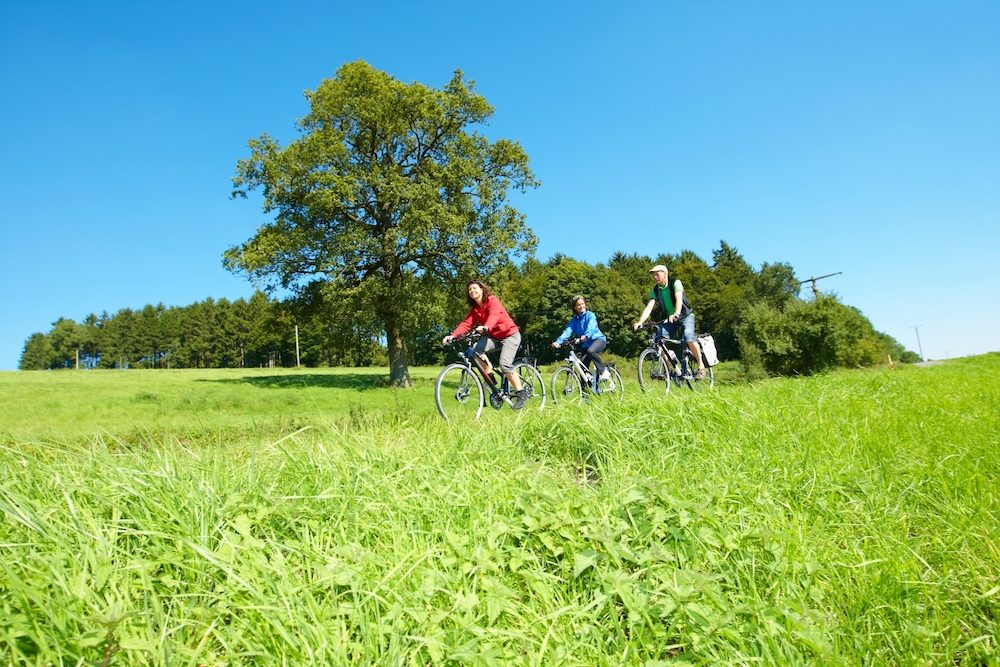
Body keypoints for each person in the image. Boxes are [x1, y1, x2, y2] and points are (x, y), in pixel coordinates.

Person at [442, 280, 530, 409]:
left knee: (504, 364)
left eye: (474, 288)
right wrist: (453, 335)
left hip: (510, 335)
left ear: (482, 289)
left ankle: (521, 393)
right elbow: (466, 323)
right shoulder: (475, 309)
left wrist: (486, 327)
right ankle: (490, 378)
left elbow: (494, 315)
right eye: (470, 290)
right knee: (474, 350)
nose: (472, 291)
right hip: (495, 337)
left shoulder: (492, 300)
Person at [633, 264, 705, 378]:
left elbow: (679, 299)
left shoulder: (675, 283)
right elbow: (649, 307)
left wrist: (676, 313)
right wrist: (640, 321)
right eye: (653, 275)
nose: (655, 277)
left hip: (685, 316)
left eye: (657, 274)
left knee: (688, 337)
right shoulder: (656, 289)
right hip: (670, 319)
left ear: (665, 274)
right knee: (658, 341)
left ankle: (701, 367)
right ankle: (672, 370)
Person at [551, 295, 610, 382]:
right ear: (575, 308)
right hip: (586, 345)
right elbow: (568, 331)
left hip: (598, 340)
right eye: (578, 305)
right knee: (582, 368)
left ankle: (603, 371)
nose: (581, 306)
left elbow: (591, 326)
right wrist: (558, 342)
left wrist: (586, 335)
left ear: (585, 305)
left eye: (582, 304)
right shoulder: (575, 320)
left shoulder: (591, 315)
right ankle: (585, 394)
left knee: (591, 351)